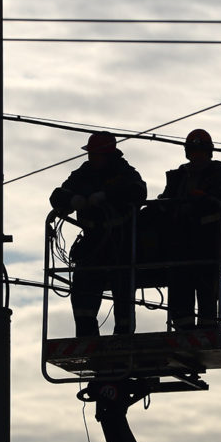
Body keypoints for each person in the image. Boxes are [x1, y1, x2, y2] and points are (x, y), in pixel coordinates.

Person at [50, 131, 147, 336]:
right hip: (92, 242)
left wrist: (107, 196)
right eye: (90, 154)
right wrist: (72, 200)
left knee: (123, 291)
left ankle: (123, 335)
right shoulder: (83, 173)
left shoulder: (124, 172)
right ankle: (87, 336)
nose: (91, 158)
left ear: (108, 155)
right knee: (82, 291)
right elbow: (58, 195)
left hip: (120, 242)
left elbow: (138, 192)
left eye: (95, 154)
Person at [159, 129, 221, 329]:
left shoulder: (220, 176)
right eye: (193, 151)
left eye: (201, 151)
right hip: (180, 246)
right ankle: (183, 331)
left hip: (208, 246)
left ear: (209, 153)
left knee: (207, 295)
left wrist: (206, 197)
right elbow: (164, 201)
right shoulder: (178, 177)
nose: (197, 155)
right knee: (180, 292)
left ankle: (207, 331)